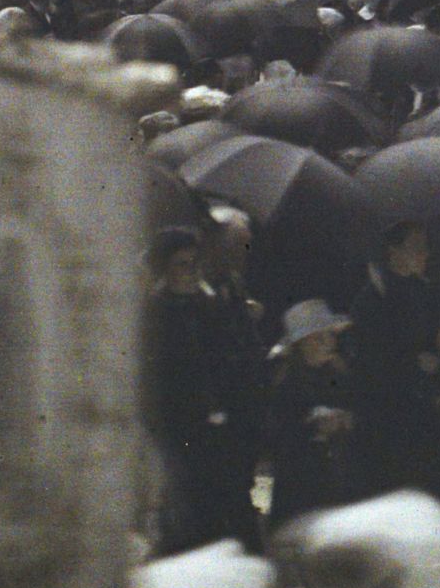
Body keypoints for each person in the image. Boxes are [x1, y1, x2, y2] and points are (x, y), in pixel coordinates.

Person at [142, 226, 263, 553]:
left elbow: (232, 361)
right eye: (182, 264)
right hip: (181, 429)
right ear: (164, 269)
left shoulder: (212, 306)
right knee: (192, 513)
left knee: (235, 504)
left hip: (222, 427)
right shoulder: (155, 315)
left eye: (195, 263)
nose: (192, 271)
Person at [347, 219, 440, 501]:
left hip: (422, 411)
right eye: (416, 247)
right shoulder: (373, 297)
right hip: (389, 415)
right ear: (393, 251)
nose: (425, 254)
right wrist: (411, 362)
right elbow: (366, 357)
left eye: (426, 247)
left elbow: (432, 333)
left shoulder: (424, 290)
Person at [264, 298, 363, 532]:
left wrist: (348, 419)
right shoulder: (286, 381)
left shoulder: (338, 373)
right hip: (300, 490)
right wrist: (313, 428)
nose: (329, 343)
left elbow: (359, 408)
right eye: (320, 337)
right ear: (301, 344)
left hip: (336, 483)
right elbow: (275, 434)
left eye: (331, 335)